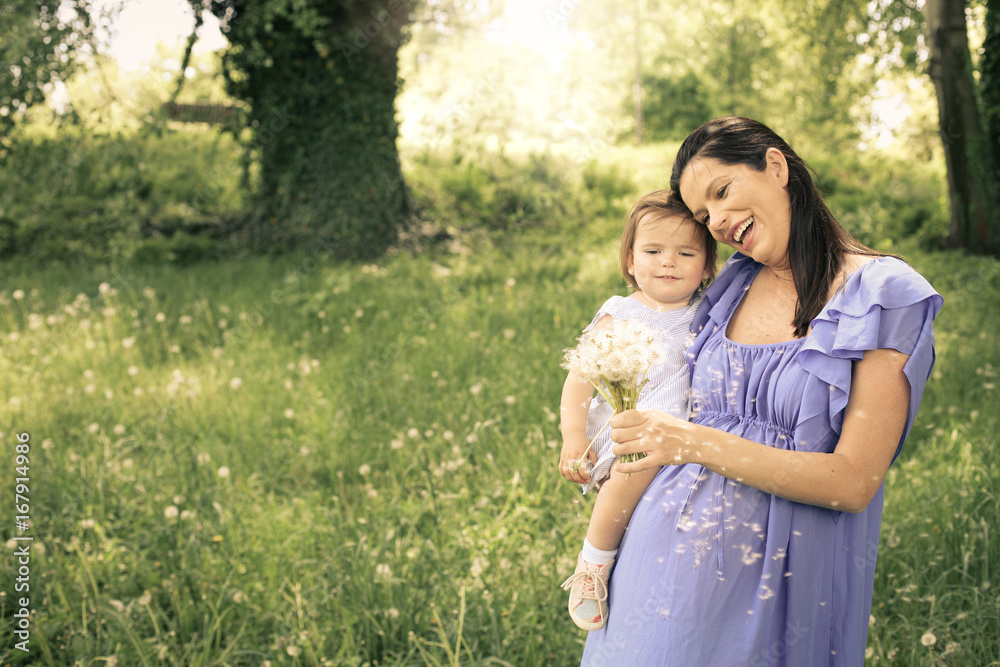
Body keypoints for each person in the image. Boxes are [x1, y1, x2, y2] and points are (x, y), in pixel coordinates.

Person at [580, 117, 943, 666]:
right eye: (704, 216)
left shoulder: (886, 295)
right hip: (656, 568)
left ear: (776, 166)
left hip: (786, 580)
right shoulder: (734, 281)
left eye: (722, 192)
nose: (718, 223)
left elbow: (852, 481)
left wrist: (690, 442)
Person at [558, 189, 717, 632]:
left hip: (690, 433)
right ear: (630, 260)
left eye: (686, 252)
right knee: (635, 468)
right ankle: (593, 564)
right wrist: (573, 436)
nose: (668, 262)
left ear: (706, 267)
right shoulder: (620, 314)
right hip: (634, 430)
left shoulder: (708, 312)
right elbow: (579, 379)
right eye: (653, 251)